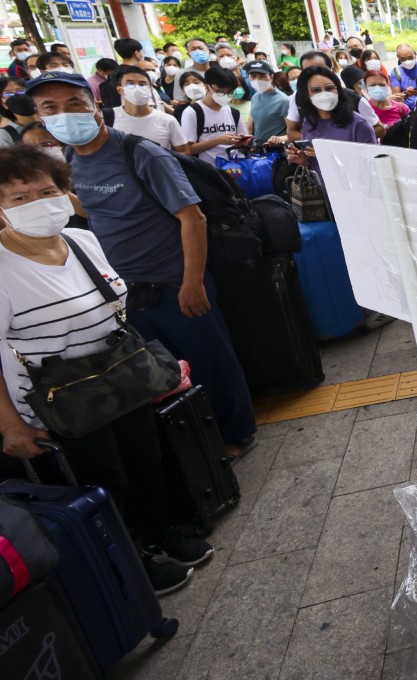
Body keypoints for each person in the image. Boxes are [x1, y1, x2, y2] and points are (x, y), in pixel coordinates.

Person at [0, 145, 215, 595]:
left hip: (119, 380)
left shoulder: (81, 240)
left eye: (48, 190)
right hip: (61, 400)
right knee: (103, 481)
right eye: (20, 198)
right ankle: (129, 565)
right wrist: (11, 425)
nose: (39, 203)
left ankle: (162, 533)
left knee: (145, 460)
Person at [26, 71, 257, 459]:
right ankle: (196, 437)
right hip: (125, 290)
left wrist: (192, 281)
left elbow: (192, 219)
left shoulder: (138, 152)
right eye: (51, 108)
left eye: (74, 104)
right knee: (165, 370)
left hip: (175, 283)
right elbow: (94, 208)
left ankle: (236, 432)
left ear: (96, 106)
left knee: (209, 361)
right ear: (39, 116)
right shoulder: (68, 159)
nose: (64, 115)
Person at [286, 65, 376, 174]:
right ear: (306, 95)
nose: (324, 94)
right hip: (325, 188)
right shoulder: (309, 123)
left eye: (329, 88)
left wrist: (329, 155)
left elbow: (371, 165)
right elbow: (316, 164)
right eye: (316, 90)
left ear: (337, 89)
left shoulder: (358, 124)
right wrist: (304, 161)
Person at [180, 65, 249, 166]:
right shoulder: (193, 112)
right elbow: (188, 149)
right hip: (207, 171)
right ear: (207, 87)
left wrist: (242, 140)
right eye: (220, 91)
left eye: (230, 92)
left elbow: (244, 143)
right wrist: (218, 141)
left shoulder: (233, 113)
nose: (225, 95)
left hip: (235, 168)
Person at [110, 65, 190, 152]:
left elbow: (184, 151)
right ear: (120, 90)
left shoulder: (167, 120)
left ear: (150, 88)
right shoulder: (109, 118)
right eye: (130, 84)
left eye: (143, 84)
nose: (137, 88)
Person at [247, 60, 289, 146]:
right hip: (257, 150)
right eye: (253, 76)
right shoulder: (255, 97)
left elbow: (293, 132)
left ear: (271, 77)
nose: (257, 80)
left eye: (262, 76)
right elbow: (249, 127)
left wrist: (280, 139)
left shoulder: (283, 100)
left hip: (277, 151)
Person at [390, 44, 417, 109]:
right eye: (403, 59)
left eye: (410, 57)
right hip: (408, 111)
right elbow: (396, 98)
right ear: (398, 58)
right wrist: (406, 93)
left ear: (415, 53)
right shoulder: (396, 72)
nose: (407, 61)